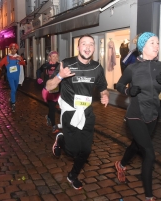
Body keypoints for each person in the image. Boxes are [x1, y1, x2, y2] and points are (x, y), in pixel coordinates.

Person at [46, 35, 109, 190]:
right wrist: (60, 76)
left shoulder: (97, 68)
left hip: (87, 113)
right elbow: (48, 87)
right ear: (78, 47)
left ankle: (72, 175)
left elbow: (102, 87)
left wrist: (105, 95)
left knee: (86, 151)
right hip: (70, 112)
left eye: (91, 44)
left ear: (94, 48)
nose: (87, 47)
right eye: (84, 44)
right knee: (73, 150)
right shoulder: (67, 64)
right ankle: (61, 139)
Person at [115, 32, 161, 201]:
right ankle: (149, 197)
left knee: (137, 145)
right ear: (143, 47)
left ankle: (121, 164)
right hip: (135, 115)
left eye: (158, 43)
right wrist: (127, 91)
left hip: (153, 115)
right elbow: (119, 84)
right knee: (149, 153)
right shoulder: (133, 68)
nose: (157, 46)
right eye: (152, 43)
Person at [36, 51, 60, 134]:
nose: (55, 58)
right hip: (48, 89)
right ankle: (54, 126)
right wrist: (39, 78)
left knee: (52, 107)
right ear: (49, 57)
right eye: (53, 56)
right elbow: (38, 71)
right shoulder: (46, 65)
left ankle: (49, 117)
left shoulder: (59, 65)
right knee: (52, 107)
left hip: (57, 90)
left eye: (56, 56)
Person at [0, 43, 25, 112]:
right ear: (10, 49)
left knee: (15, 89)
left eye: (15, 49)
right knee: (13, 89)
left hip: (17, 76)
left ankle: (11, 98)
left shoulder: (18, 57)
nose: (13, 50)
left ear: (16, 50)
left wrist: (21, 60)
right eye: (12, 49)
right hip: (10, 77)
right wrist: (0, 68)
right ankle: (13, 103)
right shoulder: (6, 58)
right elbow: (0, 63)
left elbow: (24, 64)